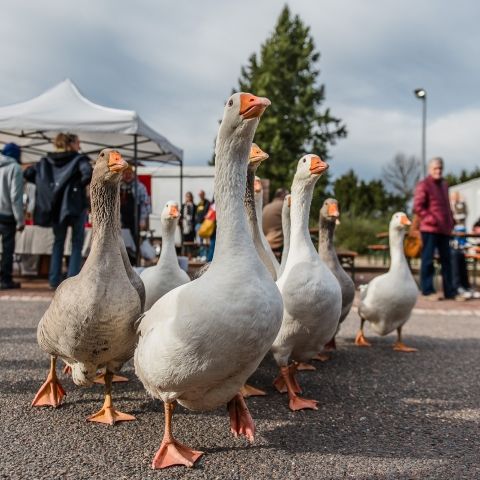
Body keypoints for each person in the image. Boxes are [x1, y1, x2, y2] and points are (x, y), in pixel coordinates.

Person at [24, 133, 92, 289]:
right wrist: (76, 187)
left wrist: (48, 187)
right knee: (76, 244)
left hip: (55, 207)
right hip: (75, 206)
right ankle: (72, 282)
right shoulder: (79, 159)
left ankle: (54, 281)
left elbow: (27, 173)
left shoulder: (46, 161)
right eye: (78, 143)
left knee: (58, 243)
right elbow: (88, 173)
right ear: (72, 143)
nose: (79, 146)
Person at [413, 157, 456, 300]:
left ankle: (450, 291)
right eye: (435, 168)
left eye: (440, 168)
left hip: (444, 229)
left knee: (447, 260)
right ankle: (427, 290)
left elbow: (446, 206)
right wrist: (431, 219)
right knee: (428, 260)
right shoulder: (423, 184)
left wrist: (451, 221)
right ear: (429, 169)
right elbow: (418, 206)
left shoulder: (444, 184)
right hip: (429, 229)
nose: (438, 171)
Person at [0, 143, 24, 289]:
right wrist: (20, 220)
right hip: (7, 215)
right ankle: (5, 280)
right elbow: (16, 197)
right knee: (7, 250)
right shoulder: (15, 168)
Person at [119, 166, 151, 262]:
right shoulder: (118, 186)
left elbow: (146, 204)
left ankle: (135, 262)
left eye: (129, 173)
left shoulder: (140, 187)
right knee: (122, 241)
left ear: (133, 174)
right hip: (122, 220)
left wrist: (142, 219)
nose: (127, 176)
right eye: (125, 173)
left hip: (135, 219)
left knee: (135, 241)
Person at [262, 187, 289, 259]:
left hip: (266, 242)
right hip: (279, 244)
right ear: (283, 196)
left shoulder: (266, 207)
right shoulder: (285, 205)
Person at [195, 190, 210, 257]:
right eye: (199, 195)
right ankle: (201, 255)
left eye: (201, 194)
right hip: (198, 224)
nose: (200, 196)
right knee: (199, 241)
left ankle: (205, 255)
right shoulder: (199, 203)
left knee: (205, 241)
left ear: (204, 195)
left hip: (204, 224)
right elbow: (197, 213)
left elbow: (206, 213)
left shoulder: (207, 202)